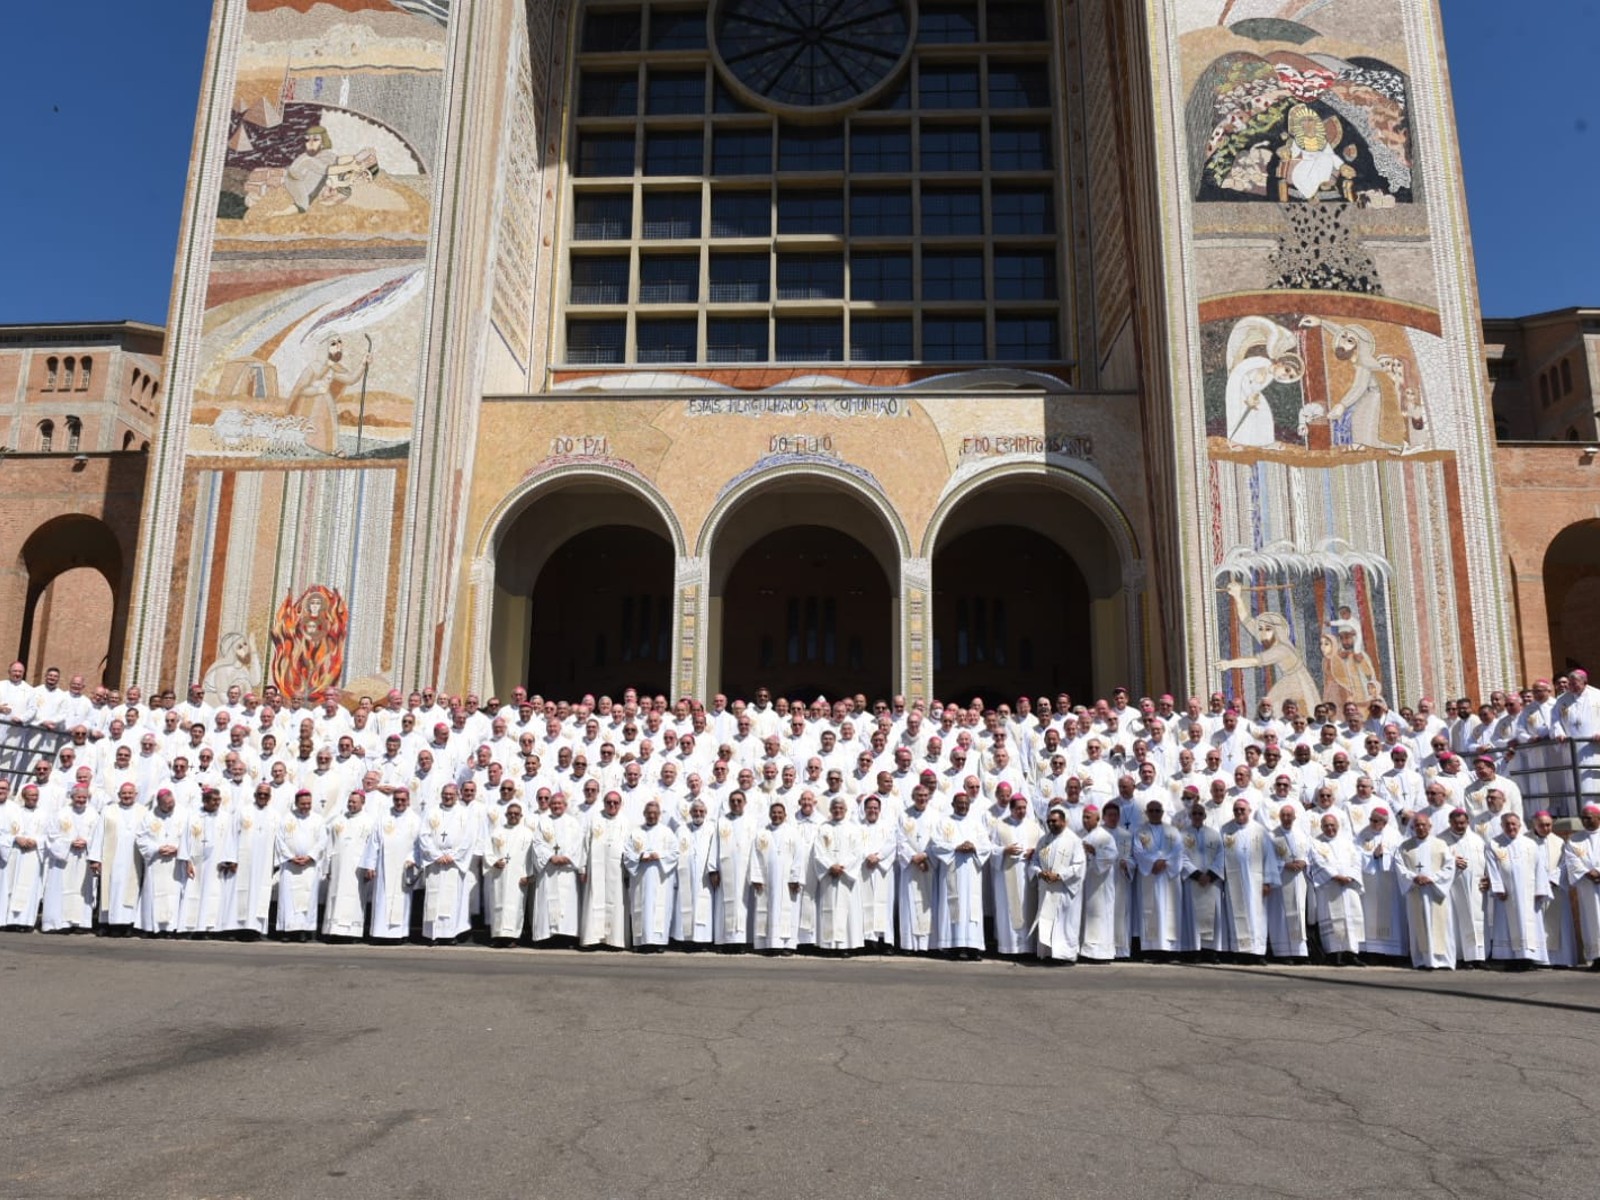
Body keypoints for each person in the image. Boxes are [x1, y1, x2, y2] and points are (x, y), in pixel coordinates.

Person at [929, 786, 993, 959]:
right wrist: (955, 847)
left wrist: (974, 847)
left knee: (972, 908)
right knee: (953, 906)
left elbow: (987, 846)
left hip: (971, 871)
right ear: (953, 804)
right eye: (960, 803)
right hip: (952, 870)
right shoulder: (943, 822)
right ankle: (953, 947)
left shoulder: (976, 824)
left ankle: (973, 947)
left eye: (966, 803)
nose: (963, 806)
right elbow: (935, 844)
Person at [1485, 812, 1550, 967]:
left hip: (1529, 894)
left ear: (1520, 825)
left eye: (1514, 824)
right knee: (1506, 925)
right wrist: (1498, 887)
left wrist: (1540, 889)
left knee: (1530, 925)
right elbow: (1491, 868)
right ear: (1501, 826)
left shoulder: (1530, 844)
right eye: (1507, 824)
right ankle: (1510, 959)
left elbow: (1539, 868)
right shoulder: (1494, 844)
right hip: (1506, 895)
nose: (1510, 827)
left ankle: (1528, 958)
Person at [1394, 811, 1457, 969]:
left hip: (1435, 892)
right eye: (1417, 825)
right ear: (1413, 828)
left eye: (1423, 825)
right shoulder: (1405, 847)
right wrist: (1413, 878)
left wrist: (1433, 879)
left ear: (1430, 826)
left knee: (1441, 925)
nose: (1420, 828)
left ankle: (1443, 961)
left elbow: (1450, 866)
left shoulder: (1440, 845)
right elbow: (1399, 867)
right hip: (1416, 891)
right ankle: (1422, 960)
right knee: (1419, 925)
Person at [418, 784, 478, 944]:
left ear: (457, 795)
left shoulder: (465, 814)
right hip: (435, 863)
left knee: (452, 899)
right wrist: (436, 855)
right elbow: (423, 836)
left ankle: (450, 934)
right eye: (445, 794)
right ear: (441, 795)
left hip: (453, 864)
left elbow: (469, 838)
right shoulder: (432, 812)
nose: (448, 797)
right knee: (433, 896)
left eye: (451, 794)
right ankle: (433, 934)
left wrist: (453, 856)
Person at [362, 788, 421, 943]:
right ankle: (380, 933)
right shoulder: (384, 817)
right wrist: (370, 865)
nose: (399, 803)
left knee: (402, 900)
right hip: (383, 867)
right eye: (397, 800)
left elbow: (418, 845)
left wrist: (413, 859)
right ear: (393, 800)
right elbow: (373, 843)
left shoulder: (415, 819)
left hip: (404, 867)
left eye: (403, 800)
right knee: (382, 899)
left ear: (408, 801)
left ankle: (399, 934)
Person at [1030, 804, 1086, 964]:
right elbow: (1034, 861)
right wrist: (1040, 872)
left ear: (1064, 822)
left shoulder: (1074, 841)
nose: (1051, 824)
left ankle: (1065, 955)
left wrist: (1060, 876)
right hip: (1047, 887)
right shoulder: (1044, 839)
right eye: (1049, 822)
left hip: (1064, 890)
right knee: (1047, 920)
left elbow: (1078, 865)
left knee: (1065, 923)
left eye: (1054, 821)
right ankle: (1047, 953)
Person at [222, 784, 279, 939]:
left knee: (260, 894)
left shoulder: (275, 815)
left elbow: (278, 841)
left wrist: (277, 863)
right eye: (259, 794)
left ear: (270, 797)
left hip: (264, 863)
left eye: (265, 794)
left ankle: (255, 929)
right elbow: (232, 834)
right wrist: (231, 859)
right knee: (239, 893)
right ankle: (236, 929)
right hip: (243, 861)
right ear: (255, 795)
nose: (262, 796)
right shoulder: (243, 811)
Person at [530, 791, 587, 945]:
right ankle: (546, 937)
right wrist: (551, 856)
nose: (556, 806)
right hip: (549, 869)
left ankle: (567, 936)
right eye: (553, 804)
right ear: (549, 805)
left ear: (565, 806)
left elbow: (579, 843)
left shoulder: (573, 822)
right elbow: (537, 843)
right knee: (547, 901)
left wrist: (566, 857)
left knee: (567, 903)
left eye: (559, 804)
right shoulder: (543, 822)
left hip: (567, 870)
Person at [1308, 813, 1365, 964]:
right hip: (1329, 887)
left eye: (1332, 825)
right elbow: (1318, 862)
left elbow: (1356, 861)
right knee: (1333, 919)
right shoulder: (1316, 843)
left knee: (1350, 919)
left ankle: (1351, 954)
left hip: (1348, 887)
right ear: (1321, 827)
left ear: (1338, 826)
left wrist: (1350, 877)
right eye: (1326, 826)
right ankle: (1334, 954)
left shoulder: (1348, 843)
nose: (1329, 828)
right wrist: (1335, 876)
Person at [41, 786, 100, 933]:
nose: (80, 800)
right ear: (72, 797)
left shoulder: (94, 815)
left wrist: (86, 841)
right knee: (60, 888)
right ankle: (59, 923)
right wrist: (69, 843)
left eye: (83, 798)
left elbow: (99, 835)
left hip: (83, 857)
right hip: (64, 859)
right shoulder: (61, 814)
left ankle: (80, 923)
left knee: (81, 890)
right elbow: (52, 836)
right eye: (78, 797)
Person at [89, 783, 145, 936]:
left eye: (130, 793)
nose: (127, 796)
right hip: (111, 859)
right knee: (109, 889)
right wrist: (95, 859)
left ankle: (127, 925)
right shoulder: (108, 810)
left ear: (136, 794)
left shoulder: (143, 811)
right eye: (124, 793)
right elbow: (98, 834)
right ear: (119, 794)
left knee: (131, 890)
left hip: (134, 860)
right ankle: (107, 923)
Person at [990, 790, 1041, 956]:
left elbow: (1044, 848)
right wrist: (1004, 850)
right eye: (1018, 808)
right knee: (1008, 909)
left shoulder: (1034, 827)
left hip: (1027, 875)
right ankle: (1009, 947)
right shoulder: (1000, 826)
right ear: (1011, 809)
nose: (1022, 811)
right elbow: (990, 849)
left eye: (1024, 808)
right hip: (1007, 874)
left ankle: (1027, 948)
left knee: (1027, 907)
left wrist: (1034, 851)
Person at [623, 800, 679, 951]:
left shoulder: (667, 832)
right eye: (649, 813)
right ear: (644, 814)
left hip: (660, 878)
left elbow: (675, 853)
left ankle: (658, 942)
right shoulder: (636, 833)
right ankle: (641, 942)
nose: (652, 816)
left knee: (659, 908)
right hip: (640, 878)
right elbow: (627, 854)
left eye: (655, 813)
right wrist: (639, 857)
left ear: (659, 815)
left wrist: (659, 855)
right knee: (640, 907)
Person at [1132, 800, 1185, 959]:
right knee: (1150, 910)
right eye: (1151, 811)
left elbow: (1179, 851)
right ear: (1147, 813)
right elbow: (1137, 852)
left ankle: (1168, 950)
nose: (1154, 813)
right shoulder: (1140, 831)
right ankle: (1151, 950)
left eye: (1157, 810)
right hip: (1150, 876)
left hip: (1168, 877)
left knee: (1169, 911)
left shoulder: (1173, 831)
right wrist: (1153, 863)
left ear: (1162, 812)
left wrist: (1164, 862)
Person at [749, 800, 803, 955]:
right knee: (766, 909)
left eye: (780, 813)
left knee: (788, 911)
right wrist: (757, 877)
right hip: (767, 880)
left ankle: (787, 945)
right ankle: (769, 944)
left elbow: (799, 856)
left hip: (787, 882)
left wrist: (795, 878)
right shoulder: (762, 834)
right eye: (774, 813)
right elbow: (755, 856)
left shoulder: (793, 833)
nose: (777, 815)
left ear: (785, 815)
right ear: (769, 814)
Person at [811, 796, 863, 953]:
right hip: (829, 875)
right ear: (830, 810)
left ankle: (845, 946)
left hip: (846, 877)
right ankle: (827, 945)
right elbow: (818, 852)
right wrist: (830, 866)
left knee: (846, 909)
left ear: (846, 810)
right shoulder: (823, 828)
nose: (838, 810)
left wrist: (842, 867)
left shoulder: (853, 829)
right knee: (829, 909)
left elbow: (857, 852)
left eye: (841, 808)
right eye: (835, 808)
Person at [178, 787, 233, 937]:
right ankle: (191, 927)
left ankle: (210, 928)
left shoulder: (226, 817)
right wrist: (187, 861)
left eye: (219, 800)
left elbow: (231, 840)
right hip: (197, 862)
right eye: (214, 800)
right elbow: (185, 839)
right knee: (193, 891)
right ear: (205, 801)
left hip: (216, 861)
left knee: (213, 893)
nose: (217, 803)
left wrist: (229, 860)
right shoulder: (194, 816)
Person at [579, 791, 630, 950]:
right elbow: (585, 845)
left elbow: (630, 848)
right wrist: (582, 868)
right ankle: (593, 939)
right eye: (609, 802)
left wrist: (629, 872)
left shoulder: (625, 822)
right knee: (594, 900)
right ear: (604, 803)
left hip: (617, 870)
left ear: (620, 804)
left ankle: (614, 941)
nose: (612, 805)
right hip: (596, 870)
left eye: (615, 802)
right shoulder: (595, 819)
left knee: (616, 903)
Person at [136, 790, 190, 936]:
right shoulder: (149, 816)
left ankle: (172, 928)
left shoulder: (184, 814)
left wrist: (179, 850)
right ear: (159, 804)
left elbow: (191, 837)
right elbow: (141, 838)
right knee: (154, 893)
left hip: (176, 862)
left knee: (174, 893)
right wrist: (157, 848)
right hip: (156, 861)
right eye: (166, 805)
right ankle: (153, 927)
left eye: (172, 803)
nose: (170, 807)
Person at [274, 789, 326, 941]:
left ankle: (304, 930)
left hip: (309, 866)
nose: (306, 806)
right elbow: (279, 840)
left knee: (307, 898)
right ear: (296, 803)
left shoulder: (318, 819)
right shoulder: (286, 819)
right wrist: (290, 858)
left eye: (308, 803)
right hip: (290, 866)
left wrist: (310, 857)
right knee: (288, 899)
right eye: (303, 804)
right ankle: (288, 931)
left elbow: (322, 841)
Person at [323, 791, 376, 941]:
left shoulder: (369, 822)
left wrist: (369, 866)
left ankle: (351, 932)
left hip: (357, 868)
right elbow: (330, 845)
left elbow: (371, 847)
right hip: (338, 866)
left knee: (353, 898)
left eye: (355, 802)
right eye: (350, 801)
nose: (351, 804)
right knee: (335, 896)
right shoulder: (338, 821)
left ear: (362, 802)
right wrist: (327, 867)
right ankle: (333, 930)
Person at [1440, 807, 1489, 966]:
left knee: (1478, 920)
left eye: (1462, 823)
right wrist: (1451, 862)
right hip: (1454, 889)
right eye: (1456, 823)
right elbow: (1434, 862)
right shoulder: (1441, 841)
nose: (1459, 826)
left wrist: (1488, 879)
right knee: (1456, 921)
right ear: (1450, 823)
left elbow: (1487, 862)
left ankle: (1479, 957)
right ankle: (1461, 957)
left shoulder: (1478, 840)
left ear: (1468, 822)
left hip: (1477, 888)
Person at [1354, 808, 1405, 960]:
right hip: (1369, 882)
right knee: (1370, 915)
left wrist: (1385, 855)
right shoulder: (1363, 834)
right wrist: (1373, 856)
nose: (1372, 823)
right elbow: (1355, 854)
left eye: (1376, 821)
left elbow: (1400, 855)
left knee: (1391, 916)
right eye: (1371, 820)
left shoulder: (1394, 835)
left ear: (1385, 822)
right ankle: (1371, 952)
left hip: (1388, 882)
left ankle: (1392, 953)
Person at [896, 785, 941, 953]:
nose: (922, 798)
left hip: (929, 866)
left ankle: (930, 944)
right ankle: (909, 944)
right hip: (910, 867)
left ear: (929, 797)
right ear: (913, 796)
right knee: (909, 904)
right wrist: (913, 857)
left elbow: (938, 840)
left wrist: (925, 856)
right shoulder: (904, 815)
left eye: (925, 795)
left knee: (929, 904)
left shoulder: (936, 816)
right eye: (918, 795)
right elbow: (900, 840)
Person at [483, 802, 535, 946]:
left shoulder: (527, 834)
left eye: (516, 814)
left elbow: (532, 856)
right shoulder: (497, 831)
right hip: (499, 875)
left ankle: (513, 937)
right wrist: (494, 861)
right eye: (510, 813)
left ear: (521, 816)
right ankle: (497, 936)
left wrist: (529, 875)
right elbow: (487, 850)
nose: (513, 816)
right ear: (505, 815)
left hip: (518, 877)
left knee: (516, 906)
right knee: (498, 905)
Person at [1179, 802, 1226, 960]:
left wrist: (1211, 875)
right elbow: (1181, 857)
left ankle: (1211, 951)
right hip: (1193, 881)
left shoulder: (1214, 834)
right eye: (1194, 814)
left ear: (1205, 816)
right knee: (1193, 915)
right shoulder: (1182, 834)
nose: (1197, 817)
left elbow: (1221, 856)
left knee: (1214, 915)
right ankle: (1194, 950)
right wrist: (1197, 874)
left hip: (1212, 882)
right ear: (1190, 816)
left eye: (1200, 814)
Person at [1265, 803, 1312, 960]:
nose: (1286, 818)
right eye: (1283, 815)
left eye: (1289, 815)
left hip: (1299, 880)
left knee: (1299, 912)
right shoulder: (1272, 836)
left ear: (1294, 817)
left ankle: (1299, 952)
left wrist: (1305, 862)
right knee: (1281, 914)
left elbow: (1310, 854)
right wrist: (1285, 864)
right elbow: (1267, 858)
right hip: (1281, 879)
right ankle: (1283, 953)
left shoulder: (1302, 834)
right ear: (1279, 817)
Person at [712, 789, 756, 949]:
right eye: (733, 801)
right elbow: (714, 846)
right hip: (726, 871)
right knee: (726, 903)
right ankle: (726, 941)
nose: (736, 803)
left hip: (746, 870)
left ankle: (744, 941)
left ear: (745, 803)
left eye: (739, 801)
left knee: (745, 904)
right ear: (729, 803)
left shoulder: (752, 821)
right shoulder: (722, 822)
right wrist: (713, 869)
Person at [671, 799, 718, 948]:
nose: (698, 814)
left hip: (704, 876)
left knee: (703, 905)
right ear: (690, 813)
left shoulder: (712, 829)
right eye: (695, 811)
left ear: (706, 813)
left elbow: (716, 851)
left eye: (701, 811)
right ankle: (685, 939)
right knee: (684, 904)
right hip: (685, 874)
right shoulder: (681, 829)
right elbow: (675, 852)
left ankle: (703, 940)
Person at [1, 785, 47, 929]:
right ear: (23, 796)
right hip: (15, 853)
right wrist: (15, 839)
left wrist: (37, 841)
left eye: (35, 795)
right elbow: (3, 832)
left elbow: (50, 836)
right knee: (10, 886)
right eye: (30, 795)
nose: (33, 798)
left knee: (30, 888)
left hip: (33, 854)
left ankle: (26, 922)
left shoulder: (44, 814)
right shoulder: (14, 812)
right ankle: (8, 921)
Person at [1561, 804, 1600, 968]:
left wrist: (1598, 871)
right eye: (1583, 818)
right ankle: (1597, 957)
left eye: (1588, 817)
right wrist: (1587, 873)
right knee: (1591, 921)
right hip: (1587, 887)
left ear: (1599, 818)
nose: (1585, 821)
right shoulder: (1575, 840)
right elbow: (1571, 860)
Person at [857, 795, 896, 951]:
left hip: (882, 871)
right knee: (865, 904)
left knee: (884, 905)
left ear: (879, 810)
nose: (872, 810)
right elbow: (856, 846)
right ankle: (867, 941)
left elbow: (892, 844)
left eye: (875, 808)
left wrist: (878, 857)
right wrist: (868, 857)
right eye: (869, 808)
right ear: (864, 809)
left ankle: (885, 941)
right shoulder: (858, 827)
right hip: (865, 869)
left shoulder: (888, 826)